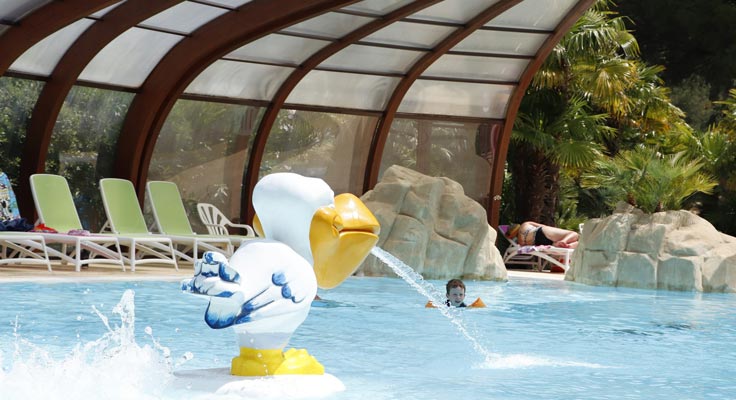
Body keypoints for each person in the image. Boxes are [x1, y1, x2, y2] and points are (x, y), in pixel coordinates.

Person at [507, 221, 579, 249]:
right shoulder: (525, 224)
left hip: (540, 242)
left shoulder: (520, 241)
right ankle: (564, 240)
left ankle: (567, 245)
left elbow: (525, 246)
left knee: (577, 244)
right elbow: (542, 225)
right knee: (574, 234)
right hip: (541, 231)